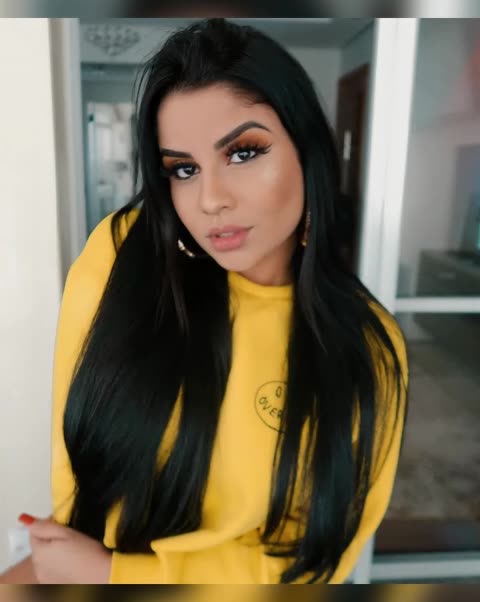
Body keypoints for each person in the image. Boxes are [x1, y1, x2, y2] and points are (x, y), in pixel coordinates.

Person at [0, 17, 408, 584]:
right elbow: (76, 462)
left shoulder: (366, 345)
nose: (210, 199)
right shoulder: (122, 257)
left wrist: (115, 573)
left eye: (243, 153)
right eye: (183, 169)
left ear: (308, 151)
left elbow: (316, 559)